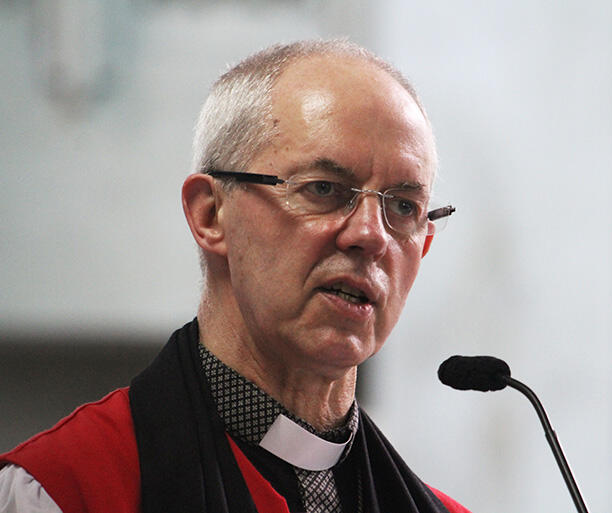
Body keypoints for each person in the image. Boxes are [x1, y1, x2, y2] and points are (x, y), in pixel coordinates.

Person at [0, 39, 465, 513]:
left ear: (424, 244)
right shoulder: (63, 491)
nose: (371, 236)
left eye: (404, 207)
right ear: (210, 215)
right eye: (323, 188)